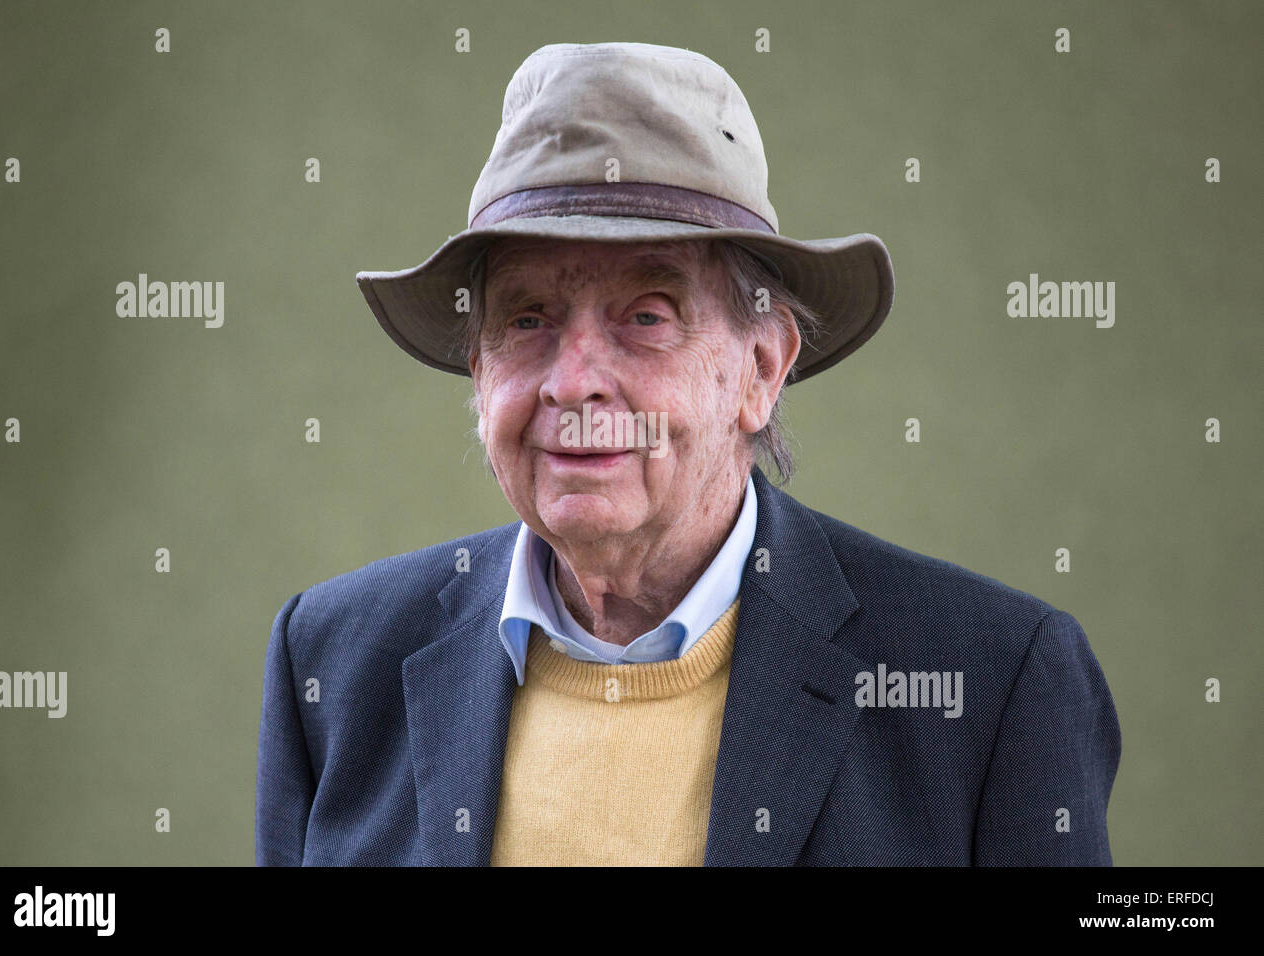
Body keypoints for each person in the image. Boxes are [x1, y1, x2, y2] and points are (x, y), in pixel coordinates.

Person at [256, 41, 1120, 866]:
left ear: (761, 368)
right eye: (526, 320)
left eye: (647, 314)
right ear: (480, 373)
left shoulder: (991, 681)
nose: (575, 381)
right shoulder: (333, 662)